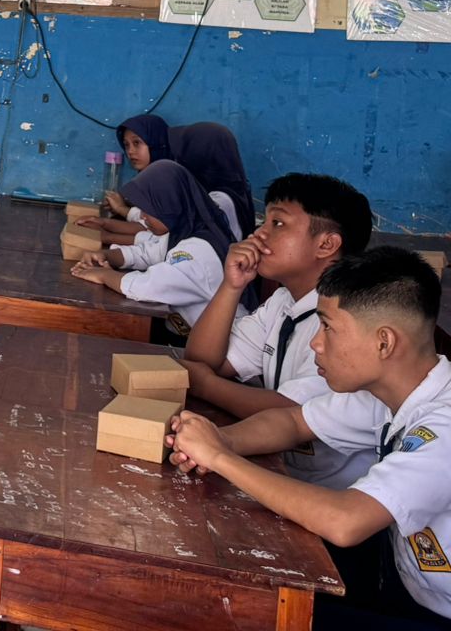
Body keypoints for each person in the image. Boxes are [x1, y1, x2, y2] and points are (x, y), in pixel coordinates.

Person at [169, 248, 451, 629]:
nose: (316, 343)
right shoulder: (387, 391)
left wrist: (221, 459)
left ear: (384, 343)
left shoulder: (444, 426)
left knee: (249, 616)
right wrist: (218, 440)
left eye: (328, 328)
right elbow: (293, 422)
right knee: (245, 586)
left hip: (435, 611)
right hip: (402, 577)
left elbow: (345, 521)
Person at [182, 174, 375, 487]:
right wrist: (232, 286)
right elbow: (202, 360)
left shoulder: (348, 321)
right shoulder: (284, 301)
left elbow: (290, 412)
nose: (259, 233)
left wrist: (204, 384)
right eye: (265, 221)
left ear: (326, 244)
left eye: (278, 223)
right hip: (281, 471)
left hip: (334, 494)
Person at [72, 159, 244, 336]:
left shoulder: (199, 249)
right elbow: (148, 253)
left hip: (222, 345)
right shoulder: (184, 231)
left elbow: (148, 287)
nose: (143, 217)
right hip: (189, 333)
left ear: (170, 205)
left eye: (148, 209)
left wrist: (104, 275)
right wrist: (107, 255)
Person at [101, 115, 255, 242]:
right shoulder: (188, 186)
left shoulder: (220, 201)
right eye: (126, 145)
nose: (130, 152)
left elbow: (166, 235)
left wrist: (122, 213)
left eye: (137, 143)